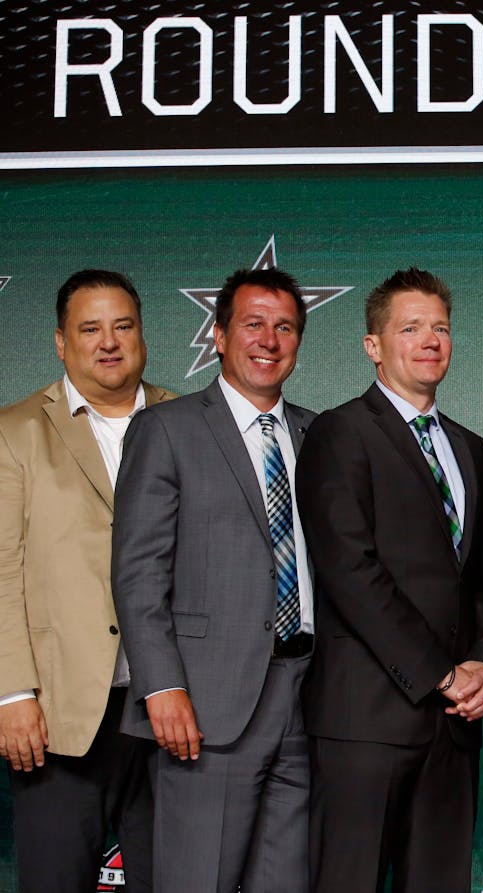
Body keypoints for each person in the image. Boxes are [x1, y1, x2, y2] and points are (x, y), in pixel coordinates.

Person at [295, 267, 483, 893]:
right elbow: (350, 571)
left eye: (440, 327)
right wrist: (441, 671)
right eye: (410, 328)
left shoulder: (471, 447)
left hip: (456, 723)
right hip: (367, 721)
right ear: (373, 345)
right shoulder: (339, 432)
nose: (429, 340)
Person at [112, 267, 315, 893]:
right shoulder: (167, 429)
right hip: (204, 702)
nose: (269, 340)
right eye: (253, 324)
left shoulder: (320, 433)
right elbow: (138, 572)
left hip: (307, 693)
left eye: (285, 327)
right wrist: (161, 685)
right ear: (220, 334)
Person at [0, 270, 175, 893]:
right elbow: (2, 569)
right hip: (60, 712)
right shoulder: (15, 431)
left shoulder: (189, 420)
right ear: (59, 341)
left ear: (142, 336)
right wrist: (12, 694)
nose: (109, 342)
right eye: (90, 329)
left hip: (172, 709)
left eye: (122, 326)